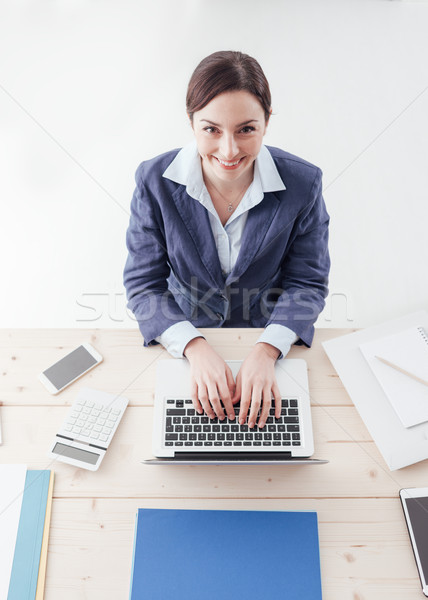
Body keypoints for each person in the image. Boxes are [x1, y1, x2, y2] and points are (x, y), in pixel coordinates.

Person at [124, 50, 330, 431]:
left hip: (266, 333)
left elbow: (307, 283)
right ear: (191, 123)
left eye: (246, 129)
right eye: (211, 129)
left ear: (267, 122)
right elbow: (143, 285)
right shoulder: (154, 180)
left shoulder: (304, 183)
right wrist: (194, 348)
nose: (230, 150)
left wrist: (268, 350)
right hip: (182, 334)